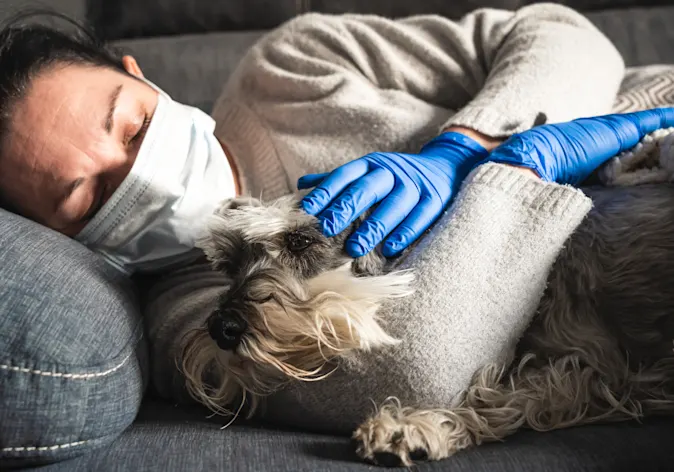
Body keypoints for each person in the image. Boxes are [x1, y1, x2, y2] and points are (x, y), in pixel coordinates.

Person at [0, 7, 672, 431]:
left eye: (130, 124)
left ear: (141, 75)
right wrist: (517, 171)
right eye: (84, 193)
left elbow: (561, 34)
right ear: (58, 236)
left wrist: (469, 143)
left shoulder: (291, 65)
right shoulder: (189, 320)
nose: (140, 169)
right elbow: (417, 373)